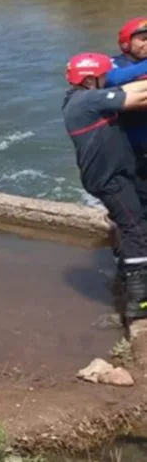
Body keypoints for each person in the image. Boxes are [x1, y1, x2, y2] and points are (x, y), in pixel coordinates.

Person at [63, 52, 147, 321]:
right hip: (109, 179)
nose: (108, 80)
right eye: (103, 76)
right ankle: (139, 301)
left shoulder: (82, 97)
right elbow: (139, 97)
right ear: (90, 80)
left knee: (132, 222)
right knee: (135, 229)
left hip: (112, 175)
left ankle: (125, 270)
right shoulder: (88, 100)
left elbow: (129, 89)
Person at [107, 18, 147, 179]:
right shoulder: (112, 63)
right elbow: (112, 79)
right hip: (130, 140)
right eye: (144, 39)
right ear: (126, 44)